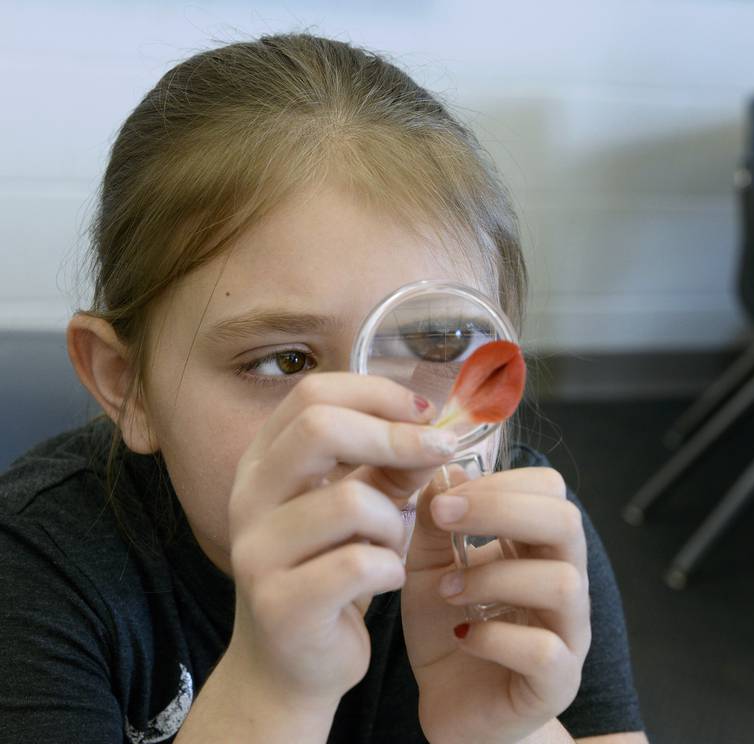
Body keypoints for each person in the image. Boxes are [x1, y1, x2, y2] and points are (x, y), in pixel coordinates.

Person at [0, 33, 647, 743]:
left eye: (434, 343)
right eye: (284, 363)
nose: (355, 432)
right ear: (129, 387)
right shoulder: (37, 569)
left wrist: (505, 731)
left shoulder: (517, 553)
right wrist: (271, 690)